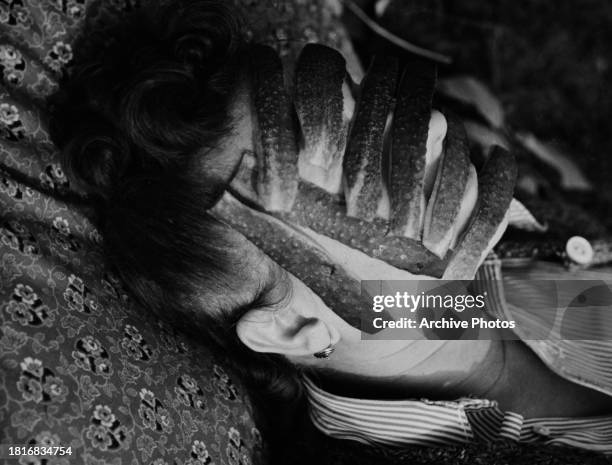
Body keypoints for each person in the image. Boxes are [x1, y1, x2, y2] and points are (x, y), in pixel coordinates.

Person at [49, 0, 612, 456]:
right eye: (353, 168)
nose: (435, 128)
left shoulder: (484, 283)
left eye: (373, 112)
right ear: (294, 327)